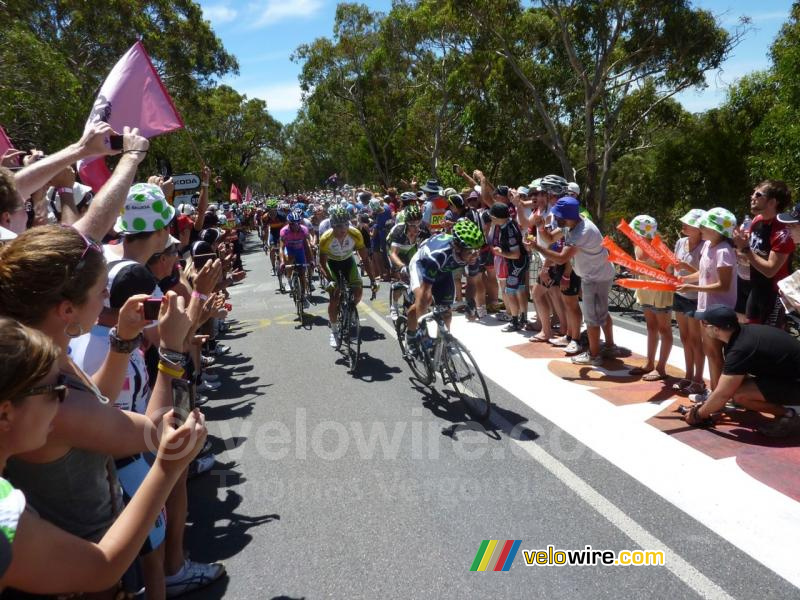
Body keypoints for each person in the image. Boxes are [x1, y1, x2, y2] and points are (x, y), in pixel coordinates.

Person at [0, 318, 208, 596]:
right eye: (54, 390)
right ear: (5, 413)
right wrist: (166, 469)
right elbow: (102, 567)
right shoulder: (5, 516)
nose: (64, 398)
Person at [683, 305, 800, 438]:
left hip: (795, 383)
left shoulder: (739, 349)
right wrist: (708, 406)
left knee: (740, 395)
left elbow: (723, 393)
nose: (701, 326)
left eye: (704, 323)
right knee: (737, 388)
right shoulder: (742, 334)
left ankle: (788, 415)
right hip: (788, 377)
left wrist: (698, 415)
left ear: (715, 329)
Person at [535, 196, 620, 365]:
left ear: (568, 216)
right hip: (597, 274)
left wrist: (536, 247)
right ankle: (610, 346)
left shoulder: (583, 231)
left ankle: (594, 355)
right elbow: (550, 239)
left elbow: (561, 258)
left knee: (592, 318)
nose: (555, 218)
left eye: (558, 215)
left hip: (595, 277)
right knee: (601, 312)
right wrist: (540, 228)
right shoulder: (573, 223)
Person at [677, 207, 737, 402]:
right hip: (706, 308)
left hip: (719, 310)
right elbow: (702, 275)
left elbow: (723, 285)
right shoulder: (707, 246)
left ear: (717, 229)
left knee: (716, 353)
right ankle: (714, 392)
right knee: (710, 352)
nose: (701, 228)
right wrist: (684, 282)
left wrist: (695, 288)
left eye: (705, 225)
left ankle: (719, 395)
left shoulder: (724, 251)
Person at [405, 220, 485, 352]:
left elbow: (472, 283)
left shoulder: (473, 255)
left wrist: (471, 305)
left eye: (477, 250)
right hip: (422, 265)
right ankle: (411, 335)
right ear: (458, 247)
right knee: (425, 300)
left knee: (446, 312)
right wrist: (422, 329)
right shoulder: (438, 255)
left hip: (443, 270)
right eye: (470, 251)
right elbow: (425, 293)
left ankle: (441, 346)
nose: (475, 255)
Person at [732, 180, 795, 326]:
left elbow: (770, 270)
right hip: (755, 290)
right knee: (751, 339)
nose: (752, 196)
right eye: (753, 192)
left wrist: (746, 249)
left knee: (770, 345)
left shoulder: (783, 231)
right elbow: (754, 256)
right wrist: (739, 250)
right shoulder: (757, 221)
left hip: (774, 296)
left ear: (772, 202)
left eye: (758, 194)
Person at [319, 207, 377, 347]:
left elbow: (365, 259)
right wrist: (330, 281)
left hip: (348, 261)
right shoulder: (326, 238)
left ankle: (350, 310)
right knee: (334, 297)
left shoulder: (355, 234)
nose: (343, 228)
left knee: (358, 292)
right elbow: (321, 264)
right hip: (332, 264)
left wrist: (373, 279)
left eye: (346, 224)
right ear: (332, 226)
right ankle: (334, 332)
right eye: (339, 226)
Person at [627, 215, 673, 381]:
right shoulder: (638, 244)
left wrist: (641, 269)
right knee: (651, 326)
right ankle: (649, 363)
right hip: (646, 288)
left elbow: (669, 270)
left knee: (664, 328)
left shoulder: (657, 246)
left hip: (660, 290)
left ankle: (661, 368)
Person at [672, 209, 707, 396]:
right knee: (684, 337)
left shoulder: (705, 246)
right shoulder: (680, 242)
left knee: (695, 339)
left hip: (695, 297)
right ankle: (688, 374)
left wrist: (685, 270)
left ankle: (698, 379)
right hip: (679, 294)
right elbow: (674, 265)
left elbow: (706, 273)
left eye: (689, 224)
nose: (684, 225)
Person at [487, 202, 530, 332]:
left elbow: (515, 254)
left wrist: (501, 252)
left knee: (509, 291)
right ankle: (523, 318)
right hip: (520, 262)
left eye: (492, 217)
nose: (491, 219)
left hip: (516, 263)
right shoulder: (510, 223)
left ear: (497, 217)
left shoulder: (508, 229)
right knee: (520, 289)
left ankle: (515, 321)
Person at [387, 205, 429, 320]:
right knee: (401, 278)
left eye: (418, 223)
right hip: (396, 251)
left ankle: (411, 300)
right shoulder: (399, 231)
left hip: (410, 249)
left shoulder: (424, 228)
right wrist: (402, 267)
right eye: (412, 225)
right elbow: (393, 254)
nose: (416, 227)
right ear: (406, 223)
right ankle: (394, 305)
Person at [280, 210, 312, 309]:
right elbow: (281, 247)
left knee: (302, 274)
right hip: (289, 250)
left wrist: (311, 260)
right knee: (288, 262)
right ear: (289, 224)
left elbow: (307, 247)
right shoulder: (284, 232)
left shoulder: (304, 230)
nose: (296, 225)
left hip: (300, 250)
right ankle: (289, 281)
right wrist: (282, 262)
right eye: (293, 224)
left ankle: (303, 296)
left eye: (298, 223)